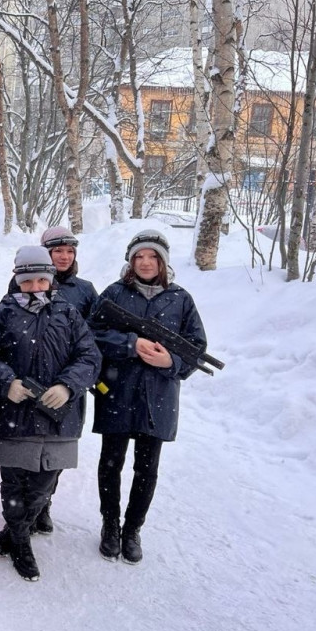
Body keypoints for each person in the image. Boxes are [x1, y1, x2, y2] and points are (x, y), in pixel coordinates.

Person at [0, 246, 101, 581]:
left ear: (50, 279)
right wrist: (6, 381)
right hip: (14, 413)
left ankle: (11, 534)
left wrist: (67, 385)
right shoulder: (4, 312)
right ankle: (21, 544)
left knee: (42, 487)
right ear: (17, 280)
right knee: (13, 483)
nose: (35, 287)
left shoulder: (68, 312)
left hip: (58, 416)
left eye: (41, 280)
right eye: (28, 281)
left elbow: (89, 356)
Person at [90, 230, 207, 564]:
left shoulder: (181, 299)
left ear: (163, 262)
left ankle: (132, 529)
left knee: (147, 468)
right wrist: (130, 344)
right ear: (130, 261)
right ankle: (110, 525)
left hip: (158, 396)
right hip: (117, 390)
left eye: (152, 257)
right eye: (138, 257)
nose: (145, 263)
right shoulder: (114, 294)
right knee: (110, 463)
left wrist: (172, 362)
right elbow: (91, 334)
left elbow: (197, 347)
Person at [1, 225, 99, 536]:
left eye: (70, 251)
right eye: (58, 251)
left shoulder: (78, 298)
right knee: (17, 469)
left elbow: (91, 347)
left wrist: (69, 383)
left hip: (61, 395)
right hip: (22, 399)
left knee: (51, 465)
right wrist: (6, 381)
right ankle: (20, 527)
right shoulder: (9, 306)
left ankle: (36, 513)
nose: (65, 256)